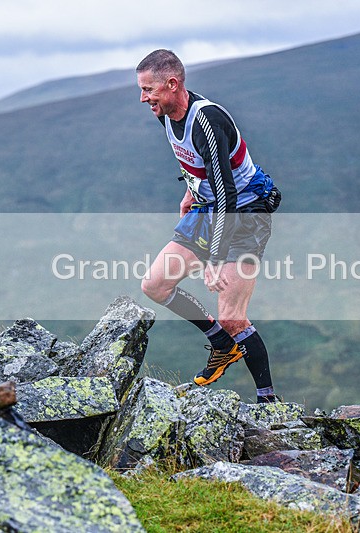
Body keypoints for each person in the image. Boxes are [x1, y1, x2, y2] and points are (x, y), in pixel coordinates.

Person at [135, 49, 281, 403]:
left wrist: (215, 259)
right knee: (155, 284)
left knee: (232, 317)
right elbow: (195, 163)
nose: (143, 98)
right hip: (206, 206)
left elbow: (227, 193)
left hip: (244, 212)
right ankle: (220, 345)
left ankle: (268, 403)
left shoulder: (207, 121)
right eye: (140, 90)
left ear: (172, 84)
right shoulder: (166, 114)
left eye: (148, 90)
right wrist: (189, 189)